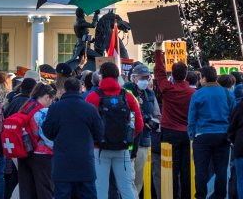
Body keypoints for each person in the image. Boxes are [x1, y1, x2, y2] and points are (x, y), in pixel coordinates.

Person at [85, 62, 143, 199]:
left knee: (100, 189)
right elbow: (138, 123)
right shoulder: (127, 96)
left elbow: (86, 124)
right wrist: (128, 137)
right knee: (126, 188)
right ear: (118, 76)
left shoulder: (92, 97)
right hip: (122, 149)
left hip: (99, 149)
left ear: (101, 76)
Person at [43, 77, 103, 199]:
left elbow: (47, 132)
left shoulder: (55, 108)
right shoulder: (90, 108)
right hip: (85, 162)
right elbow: (100, 133)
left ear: (64, 89)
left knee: (62, 195)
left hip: (62, 162)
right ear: (80, 89)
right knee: (88, 194)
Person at [153, 35, 195, 199]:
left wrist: (158, 48)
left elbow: (159, 71)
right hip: (187, 134)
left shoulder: (167, 89)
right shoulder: (193, 93)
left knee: (170, 168)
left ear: (174, 74)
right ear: (185, 75)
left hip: (169, 133)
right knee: (186, 168)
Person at [188, 66, 235, 199]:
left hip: (202, 135)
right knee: (221, 170)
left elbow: (192, 118)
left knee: (201, 170)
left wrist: (192, 136)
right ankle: (220, 196)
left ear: (204, 78)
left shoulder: (197, 94)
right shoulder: (227, 93)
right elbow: (234, 115)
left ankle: (201, 196)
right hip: (223, 135)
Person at [122, 63, 160, 197]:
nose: (145, 80)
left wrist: (153, 122)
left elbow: (157, 116)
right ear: (133, 78)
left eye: (147, 77)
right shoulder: (125, 92)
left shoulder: (150, 94)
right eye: (142, 77)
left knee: (138, 178)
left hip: (144, 141)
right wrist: (142, 119)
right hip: (128, 142)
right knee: (129, 177)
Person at [18, 83, 55, 199]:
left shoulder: (26, 107)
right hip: (42, 155)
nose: (51, 103)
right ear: (47, 97)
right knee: (44, 189)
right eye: (51, 100)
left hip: (24, 153)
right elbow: (47, 138)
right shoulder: (44, 112)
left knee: (27, 191)